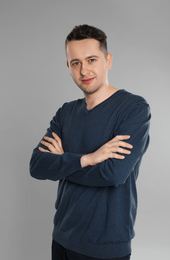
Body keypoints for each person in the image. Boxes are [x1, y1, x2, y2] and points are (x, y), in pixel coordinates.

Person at [30, 24, 151, 260]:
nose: (84, 70)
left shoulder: (133, 109)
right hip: (62, 236)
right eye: (76, 63)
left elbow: (113, 174)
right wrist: (88, 159)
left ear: (108, 60)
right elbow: (36, 166)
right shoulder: (66, 112)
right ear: (69, 66)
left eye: (92, 59)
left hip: (105, 246)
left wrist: (64, 163)